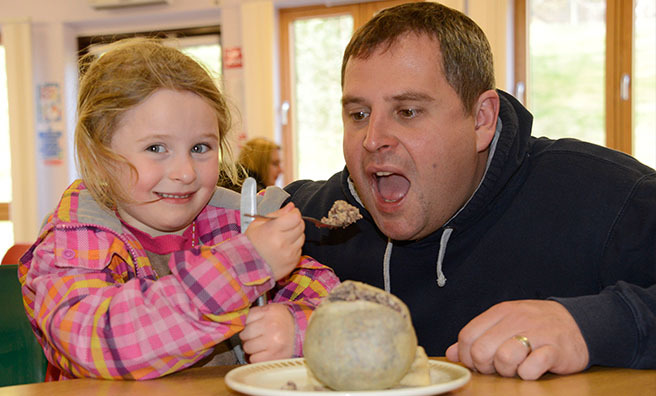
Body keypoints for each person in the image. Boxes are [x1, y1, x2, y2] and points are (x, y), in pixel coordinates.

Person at [284, 2, 656, 380]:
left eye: (408, 111)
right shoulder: (309, 223)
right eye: (358, 115)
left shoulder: (604, 197)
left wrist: (587, 326)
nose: (373, 140)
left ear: (481, 120)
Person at [18, 38, 339, 380]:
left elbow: (341, 309)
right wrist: (243, 267)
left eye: (200, 147)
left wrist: (299, 331)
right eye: (156, 147)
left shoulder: (240, 224)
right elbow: (97, 342)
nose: (185, 172)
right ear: (100, 157)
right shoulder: (73, 240)